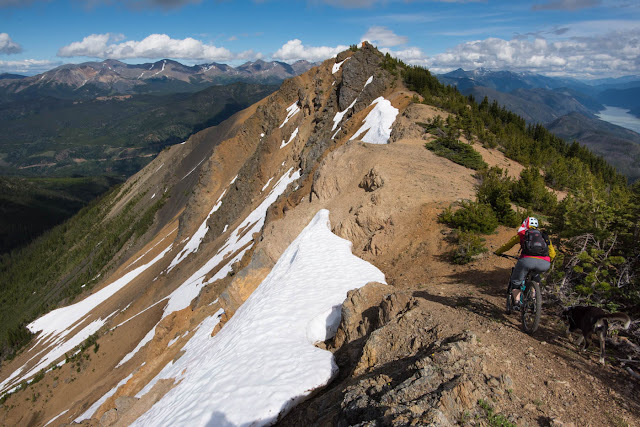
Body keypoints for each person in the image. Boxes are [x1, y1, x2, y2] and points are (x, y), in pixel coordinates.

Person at [494, 217, 556, 310]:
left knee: (516, 281)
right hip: (544, 263)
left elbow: (508, 245)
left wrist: (498, 252)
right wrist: (546, 259)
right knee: (536, 279)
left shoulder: (523, 234)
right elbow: (553, 253)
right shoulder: (544, 236)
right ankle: (534, 300)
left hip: (526, 261)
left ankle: (517, 303)